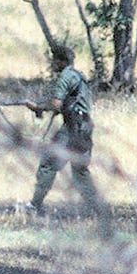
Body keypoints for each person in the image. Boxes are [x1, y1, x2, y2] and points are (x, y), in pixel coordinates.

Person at [22, 45, 112, 235]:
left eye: (55, 60)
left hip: (72, 128)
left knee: (48, 163)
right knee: (80, 169)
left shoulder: (65, 77)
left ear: (61, 61)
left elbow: (56, 105)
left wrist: (37, 106)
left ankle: (34, 205)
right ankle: (99, 210)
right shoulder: (78, 76)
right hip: (84, 127)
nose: (53, 64)